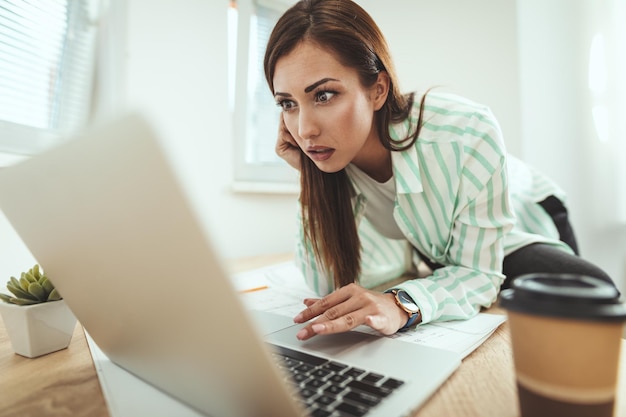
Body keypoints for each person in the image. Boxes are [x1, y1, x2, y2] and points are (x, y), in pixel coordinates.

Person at [263, 0, 612, 341]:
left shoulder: (465, 131)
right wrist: (310, 181)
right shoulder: (335, 161)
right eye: (287, 104)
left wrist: (400, 303)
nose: (304, 129)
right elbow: (327, 284)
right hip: (445, 249)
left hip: (526, 216)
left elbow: (479, 273)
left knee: (587, 303)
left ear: (378, 90)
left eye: (324, 95)